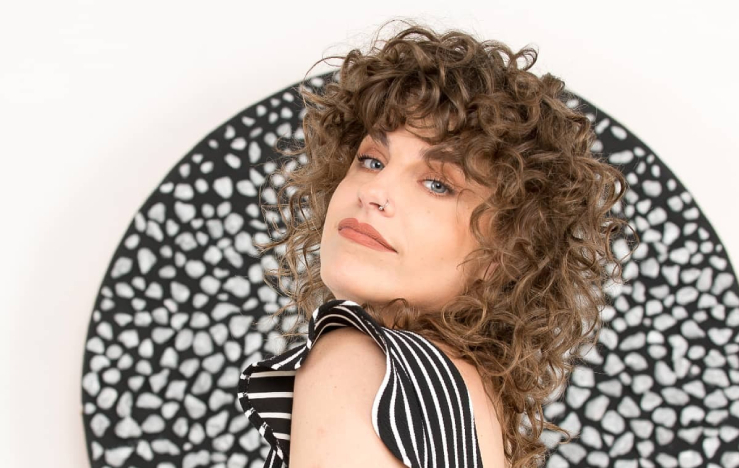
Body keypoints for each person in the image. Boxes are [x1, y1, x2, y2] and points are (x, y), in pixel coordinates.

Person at [237, 19, 635, 468]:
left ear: (506, 253)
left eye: (437, 184)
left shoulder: (359, 364)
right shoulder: (469, 396)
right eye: (371, 160)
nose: (374, 191)